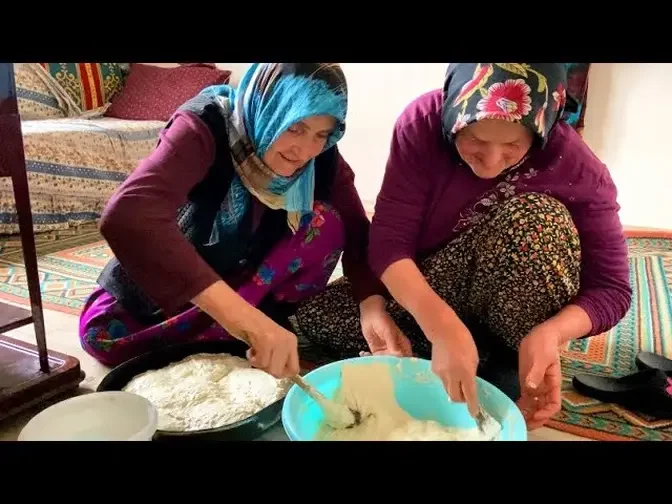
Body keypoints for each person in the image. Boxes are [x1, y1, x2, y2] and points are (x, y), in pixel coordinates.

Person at [290, 63, 632, 430]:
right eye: (476, 141)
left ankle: (503, 352)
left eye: (513, 145)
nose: (491, 161)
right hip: (436, 279)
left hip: (509, 301)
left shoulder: (576, 166)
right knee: (318, 316)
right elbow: (389, 244)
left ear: (542, 129)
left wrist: (550, 334)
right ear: (453, 115)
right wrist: (441, 326)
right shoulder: (422, 123)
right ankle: (463, 352)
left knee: (536, 220)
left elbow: (611, 290)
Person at [79, 63, 396, 378]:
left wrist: (371, 306)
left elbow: (357, 232)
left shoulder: (321, 154)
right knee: (104, 338)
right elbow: (128, 214)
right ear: (268, 106)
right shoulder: (203, 126)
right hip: (183, 281)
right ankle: (235, 328)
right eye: (294, 127)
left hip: (247, 283)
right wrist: (243, 320)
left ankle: (248, 327)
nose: (305, 150)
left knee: (324, 225)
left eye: (321, 134)